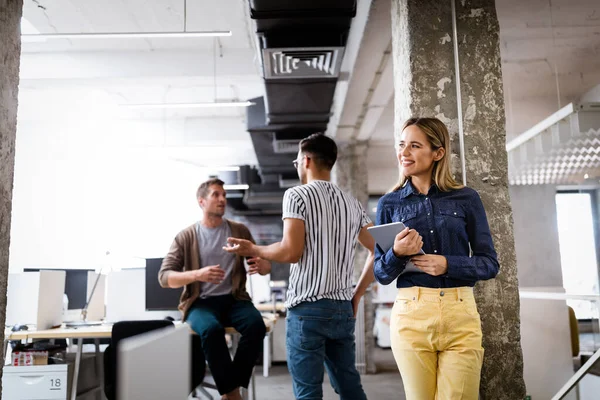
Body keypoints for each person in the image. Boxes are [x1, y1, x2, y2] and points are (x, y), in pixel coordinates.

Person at [223, 133, 376, 400]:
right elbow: (380, 249)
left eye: (296, 161)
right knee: (350, 387)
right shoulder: (352, 204)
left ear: (306, 160)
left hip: (308, 310)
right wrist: (357, 292)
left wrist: (253, 248)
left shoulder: (297, 195)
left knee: (308, 392)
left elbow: (291, 251)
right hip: (342, 309)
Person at [374, 117, 499, 400]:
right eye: (402, 145)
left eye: (415, 146)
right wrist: (396, 253)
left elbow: (490, 263)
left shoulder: (466, 198)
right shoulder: (389, 204)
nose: (404, 153)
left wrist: (448, 263)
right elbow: (381, 273)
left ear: (438, 153)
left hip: (460, 312)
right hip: (411, 313)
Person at [158, 178, 271, 400]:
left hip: (234, 299)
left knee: (256, 326)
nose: (222, 199)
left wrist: (263, 264)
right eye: (216, 195)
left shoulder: (239, 230)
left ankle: (230, 392)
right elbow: (164, 277)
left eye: (224, 195)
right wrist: (197, 274)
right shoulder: (186, 236)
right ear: (201, 201)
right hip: (201, 303)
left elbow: (265, 264)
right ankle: (233, 393)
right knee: (211, 330)